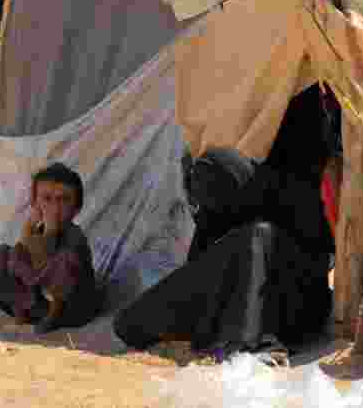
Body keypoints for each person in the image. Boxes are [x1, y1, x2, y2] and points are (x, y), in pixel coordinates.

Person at [114, 85, 341, 364]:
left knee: (255, 239)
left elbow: (320, 257)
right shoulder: (223, 205)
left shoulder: (298, 197)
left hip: (292, 311)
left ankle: (245, 344)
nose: (200, 201)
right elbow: (200, 266)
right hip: (225, 307)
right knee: (129, 323)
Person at [0, 162, 100, 334]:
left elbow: (42, 258)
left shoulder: (75, 236)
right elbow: (21, 256)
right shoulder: (36, 230)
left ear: (77, 208)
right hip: (37, 305)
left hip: (70, 310)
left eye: (64, 200)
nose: (55, 207)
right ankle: (20, 314)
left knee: (64, 260)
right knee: (3, 252)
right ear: (34, 203)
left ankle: (51, 318)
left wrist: (51, 231)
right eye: (47, 199)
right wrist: (29, 228)